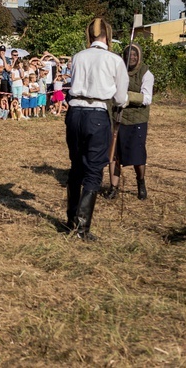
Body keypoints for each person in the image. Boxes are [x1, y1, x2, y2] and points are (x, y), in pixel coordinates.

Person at [65, 18, 128, 240]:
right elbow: (120, 98)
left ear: (90, 35)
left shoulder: (78, 56)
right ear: (107, 36)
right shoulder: (114, 60)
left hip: (74, 113)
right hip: (97, 114)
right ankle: (81, 229)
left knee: (76, 166)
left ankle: (71, 220)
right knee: (93, 170)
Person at [105, 43, 154, 201]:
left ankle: (140, 182)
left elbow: (147, 98)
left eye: (134, 55)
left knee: (137, 155)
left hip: (136, 119)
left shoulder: (146, 74)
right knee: (114, 154)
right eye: (128, 55)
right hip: (117, 117)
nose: (131, 57)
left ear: (139, 57)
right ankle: (113, 187)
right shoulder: (118, 72)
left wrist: (128, 97)